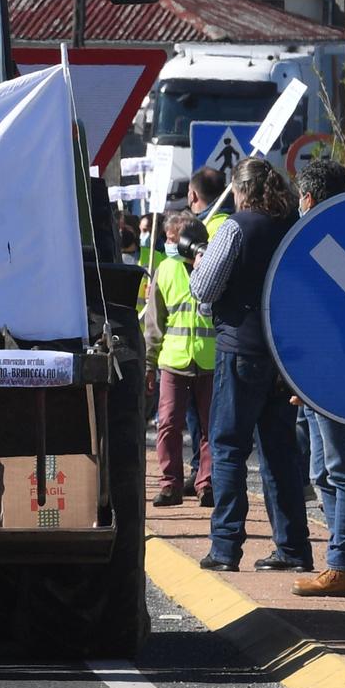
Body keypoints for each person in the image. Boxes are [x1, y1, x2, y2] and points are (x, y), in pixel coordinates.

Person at [191, 158, 312, 574]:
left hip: (239, 348)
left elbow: (204, 287)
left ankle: (225, 548)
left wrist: (200, 267)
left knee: (227, 448)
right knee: (280, 453)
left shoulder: (235, 227)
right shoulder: (292, 227)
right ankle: (294, 548)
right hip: (283, 355)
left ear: (242, 191)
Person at [290, 159, 345, 599]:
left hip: (338, 377)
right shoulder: (318, 243)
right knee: (322, 472)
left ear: (310, 199)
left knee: (344, 472)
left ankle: (344, 564)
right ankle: (344, 561)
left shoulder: (334, 247)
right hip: (315, 379)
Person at [147, 213, 214, 508]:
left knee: (212, 428)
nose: (167, 244)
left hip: (210, 361)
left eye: (172, 239)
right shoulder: (164, 270)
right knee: (169, 424)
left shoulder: (214, 268)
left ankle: (207, 484)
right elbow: (154, 323)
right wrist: (149, 363)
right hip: (174, 361)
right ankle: (170, 485)